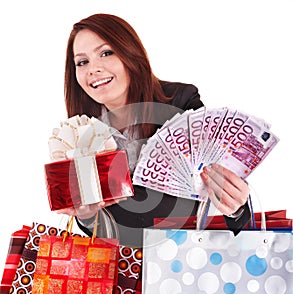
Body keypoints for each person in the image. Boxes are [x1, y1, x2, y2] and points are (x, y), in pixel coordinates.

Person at [61, 13, 251, 247]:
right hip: (126, 268)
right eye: (82, 62)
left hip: (185, 261)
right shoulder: (83, 132)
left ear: (130, 53)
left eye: (106, 53)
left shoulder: (180, 103)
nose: (93, 69)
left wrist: (236, 208)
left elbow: (219, 193)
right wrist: (86, 215)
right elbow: (102, 230)